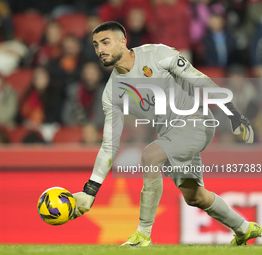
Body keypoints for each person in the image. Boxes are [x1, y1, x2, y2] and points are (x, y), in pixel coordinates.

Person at [71, 21, 259, 247]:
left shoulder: (158, 54)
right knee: (195, 196)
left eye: (105, 42)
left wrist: (233, 113)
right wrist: (90, 191)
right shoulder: (112, 93)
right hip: (171, 135)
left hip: (196, 121)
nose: (100, 49)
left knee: (150, 156)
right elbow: (109, 145)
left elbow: (199, 80)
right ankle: (244, 228)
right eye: (95, 45)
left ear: (123, 41)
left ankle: (142, 234)